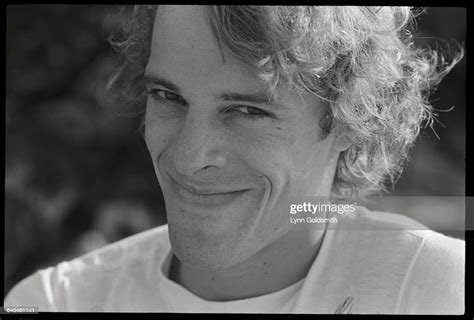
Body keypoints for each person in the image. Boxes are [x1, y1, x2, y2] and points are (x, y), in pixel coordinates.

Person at [4, 5, 464, 314]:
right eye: (168, 96)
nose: (190, 156)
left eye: (247, 110)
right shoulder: (57, 300)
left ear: (351, 119)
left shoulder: (434, 289)